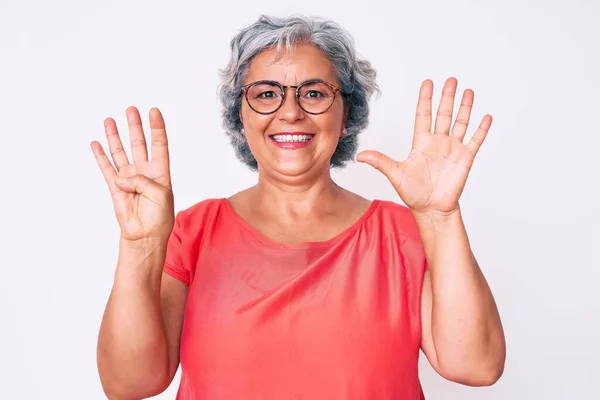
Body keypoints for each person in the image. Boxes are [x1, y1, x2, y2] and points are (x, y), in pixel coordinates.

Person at [91, 14, 505, 400]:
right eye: (267, 94)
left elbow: (476, 365)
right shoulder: (193, 232)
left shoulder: (403, 233)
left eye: (314, 93)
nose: (290, 112)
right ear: (241, 117)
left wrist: (439, 218)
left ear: (346, 115)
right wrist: (140, 245)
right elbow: (129, 383)